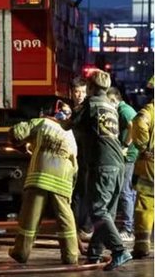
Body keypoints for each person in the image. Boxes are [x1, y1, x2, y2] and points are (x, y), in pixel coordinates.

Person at [63, 70, 132, 270]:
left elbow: (69, 125)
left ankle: (119, 250)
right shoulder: (110, 106)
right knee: (106, 212)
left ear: (91, 87)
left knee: (97, 210)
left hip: (103, 165)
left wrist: (51, 121)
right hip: (118, 164)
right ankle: (94, 254)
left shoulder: (90, 104)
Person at [6, 102, 80, 265]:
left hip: (40, 177)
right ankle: (71, 255)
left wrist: (22, 143)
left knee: (30, 218)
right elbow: (75, 165)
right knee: (65, 218)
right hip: (63, 181)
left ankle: (21, 252)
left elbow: (17, 133)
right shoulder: (70, 134)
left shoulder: (42, 123)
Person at [107, 87, 138, 242]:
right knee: (128, 192)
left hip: (129, 157)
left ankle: (127, 229)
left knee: (125, 191)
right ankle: (128, 227)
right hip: (130, 156)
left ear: (113, 100)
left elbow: (134, 126)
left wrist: (125, 145)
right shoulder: (125, 109)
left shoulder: (124, 111)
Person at [68, 76, 92, 242]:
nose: (80, 95)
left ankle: (85, 227)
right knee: (74, 193)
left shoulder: (87, 109)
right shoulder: (71, 110)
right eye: (77, 91)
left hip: (84, 158)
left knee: (83, 193)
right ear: (71, 92)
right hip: (71, 157)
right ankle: (74, 227)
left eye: (83, 92)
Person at [130, 99, 154, 259]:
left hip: (151, 163)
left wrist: (144, 147)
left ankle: (142, 245)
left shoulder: (150, 110)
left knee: (146, 200)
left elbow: (139, 123)